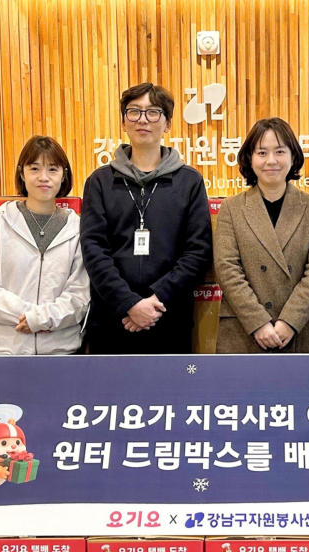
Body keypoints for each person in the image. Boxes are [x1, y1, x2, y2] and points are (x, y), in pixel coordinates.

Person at [81, 83, 212, 354]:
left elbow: (198, 252)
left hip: (168, 320)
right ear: (123, 122)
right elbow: (94, 251)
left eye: (153, 112)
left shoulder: (190, 182)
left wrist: (156, 301)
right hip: (112, 321)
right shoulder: (99, 182)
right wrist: (128, 303)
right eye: (134, 111)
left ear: (168, 124)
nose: (143, 119)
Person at [0, 135, 90, 355]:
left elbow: (80, 293)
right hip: (5, 350)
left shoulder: (77, 229)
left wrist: (42, 319)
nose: (43, 177)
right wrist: (25, 315)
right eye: (35, 168)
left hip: (61, 352)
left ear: (64, 175)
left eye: (53, 169)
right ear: (22, 173)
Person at [214, 118, 309, 353]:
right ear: (249, 158)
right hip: (245, 329)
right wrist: (258, 322)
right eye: (262, 152)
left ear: (293, 156)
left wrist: (289, 321)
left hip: (300, 328)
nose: (271, 160)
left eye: (279, 151)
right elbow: (227, 269)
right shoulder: (231, 208)